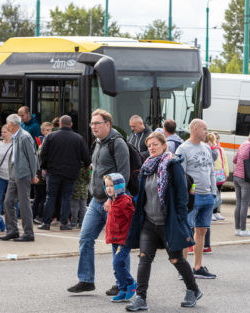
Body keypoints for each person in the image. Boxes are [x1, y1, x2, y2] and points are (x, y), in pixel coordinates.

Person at [126, 132, 202, 311]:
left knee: (176, 259)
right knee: (144, 258)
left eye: (155, 144)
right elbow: (142, 195)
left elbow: (182, 196)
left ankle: (193, 289)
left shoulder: (172, 164)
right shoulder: (146, 167)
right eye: (149, 145)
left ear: (164, 146)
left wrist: (180, 219)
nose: (151, 148)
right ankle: (140, 298)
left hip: (169, 222)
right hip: (149, 223)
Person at [67, 109, 130, 293]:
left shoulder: (118, 144)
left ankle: (122, 283)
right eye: (92, 123)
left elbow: (124, 175)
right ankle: (86, 280)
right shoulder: (97, 143)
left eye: (97, 123)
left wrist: (114, 199)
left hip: (113, 202)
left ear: (108, 124)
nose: (93, 126)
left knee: (117, 244)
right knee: (85, 238)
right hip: (96, 201)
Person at [176, 119, 217, 279]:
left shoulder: (206, 147)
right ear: (194, 129)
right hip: (193, 197)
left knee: (201, 230)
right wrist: (185, 196)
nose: (207, 131)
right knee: (187, 231)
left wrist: (213, 192)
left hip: (207, 196)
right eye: (204, 129)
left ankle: (198, 267)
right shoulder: (183, 149)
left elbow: (212, 171)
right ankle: (183, 268)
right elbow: (180, 175)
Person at [39, 115, 90, 231]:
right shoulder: (78, 138)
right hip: (71, 173)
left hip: (53, 172)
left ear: (60, 124)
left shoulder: (51, 136)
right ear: (71, 124)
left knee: (50, 197)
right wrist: (82, 166)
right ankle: (64, 223)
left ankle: (46, 223)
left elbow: (43, 154)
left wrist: (45, 167)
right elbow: (86, 158)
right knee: (66, 198)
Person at [0, 114, 39, 242]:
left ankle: (28, 233)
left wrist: (34, 174)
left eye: (7, 123)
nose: (6, 126)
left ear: (13, 124)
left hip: (23, 173)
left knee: (24, 203)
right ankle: (12, 231)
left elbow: (32, 157)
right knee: (8, 201)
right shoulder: (16, 136)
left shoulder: (25, 137)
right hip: (14, 173)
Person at [103, 173, 136, 303]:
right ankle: (123, 290)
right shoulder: (113, 200)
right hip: (115, 239)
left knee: (117, 263)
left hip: (124, 240)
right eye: (107, 186)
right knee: (116, 265)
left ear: (120, 186)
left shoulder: (125, 201)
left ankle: (131, 283)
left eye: (112, 185)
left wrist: (131, 236)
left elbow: (133, 219)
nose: (109, 188)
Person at [32, 122, 53, 225]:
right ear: (42, 131)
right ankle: (39, 216)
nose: (49, 132)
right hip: (41, 172)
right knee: (42, 196)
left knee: (38, 196)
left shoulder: (44, 141)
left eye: (50, 130)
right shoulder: (44, 142)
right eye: (47, 130)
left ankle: (33, 215)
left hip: (40, 171)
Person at [207, 132, 228, 221]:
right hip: (212, 174)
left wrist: (226, 172)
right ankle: (210, 212)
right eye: (215, 138)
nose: (216, 140)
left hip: (219, 175)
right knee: (213, 194)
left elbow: (224, 161)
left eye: (217, 138)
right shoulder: (209, 148)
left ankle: (216, 212)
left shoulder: (220, 149)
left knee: (218, 194)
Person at [0, 125, 13, 217]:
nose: (2, 134)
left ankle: (13, 220)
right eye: (2, 132)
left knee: (12, 200)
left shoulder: (15, 145)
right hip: (1, 175)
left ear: (11, 133)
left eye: (5, 132)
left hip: (12, 177)